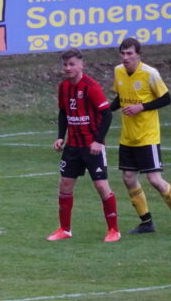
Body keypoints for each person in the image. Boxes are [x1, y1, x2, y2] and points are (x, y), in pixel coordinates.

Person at [108, 38, 171, 235]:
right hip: (128, 137)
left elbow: (166, 98)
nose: (125, 57)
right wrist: (105, 110)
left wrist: (142, 107)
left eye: (130, 53)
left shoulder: (150, 74)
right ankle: (146, 222)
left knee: (155, 180)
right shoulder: (118, 71)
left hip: (147, 136)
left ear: (138, 54)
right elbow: (120, 98)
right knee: (128, 178)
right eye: (123, 53)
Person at [48, 49, 120, 243]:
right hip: (73, 147)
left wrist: (98, 141)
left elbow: (107, 114)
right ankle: (65, 229)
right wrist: (60, 137)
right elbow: (63, 113)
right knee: (64, 185)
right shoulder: (63, 87)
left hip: (92, 147)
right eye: (65, 64)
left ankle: (114, 230)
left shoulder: (91, 87)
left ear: (81, 65)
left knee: (101, 186)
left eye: (72, 64)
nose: (68, 68)